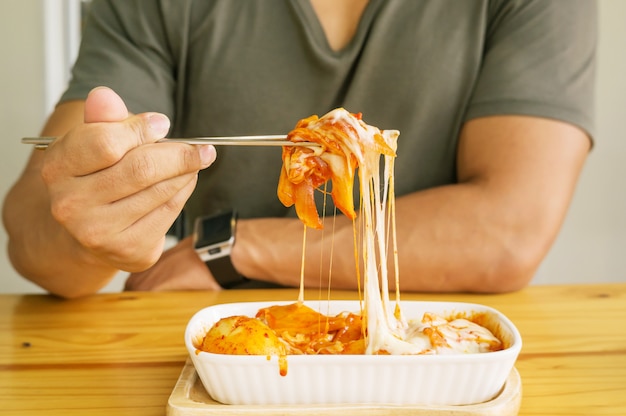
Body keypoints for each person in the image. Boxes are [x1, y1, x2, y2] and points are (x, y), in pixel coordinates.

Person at [2, 0, 596, 298]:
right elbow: (33, 227)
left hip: (434, 348)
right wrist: (87, 226)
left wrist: (229, 248)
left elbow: (509, 231)